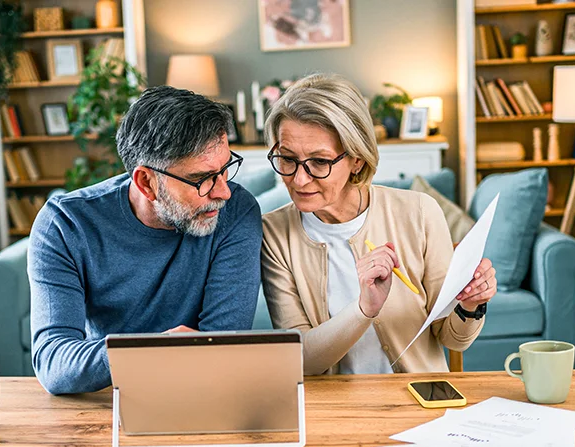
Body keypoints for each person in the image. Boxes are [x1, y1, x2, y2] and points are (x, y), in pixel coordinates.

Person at [28, 86, 262, 394]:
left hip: (201, 392)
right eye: (201, 179)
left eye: (224, 170)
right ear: (146, 182)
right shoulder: (66, 225)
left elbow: (221, 347)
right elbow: (54, 363)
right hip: (108, 401)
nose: (223, 192)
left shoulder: (236, 213)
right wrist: (152, 349)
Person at [260, 74, 496, 376]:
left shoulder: (420, 212)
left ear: (356, 160)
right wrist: (363, 309)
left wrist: (471, 304)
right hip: (334, 412)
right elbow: (302, 360)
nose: (299, 179)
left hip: (418, 401)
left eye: (319, 162)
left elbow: (452, 338)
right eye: (287, 159)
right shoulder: (274, 234)